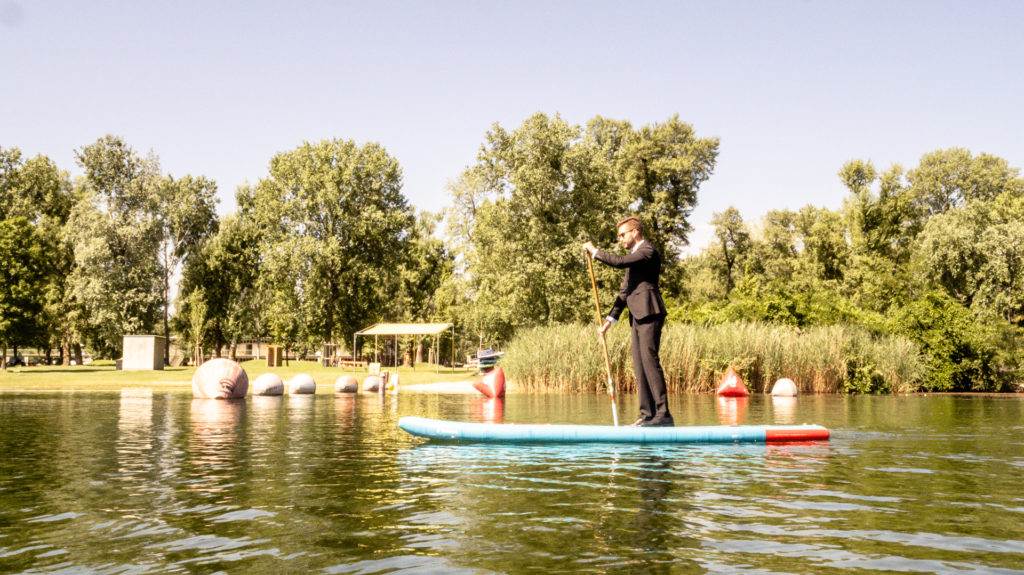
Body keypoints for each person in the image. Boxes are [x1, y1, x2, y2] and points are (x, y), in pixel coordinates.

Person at [583, 216, 674, 427]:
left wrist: (595, 252)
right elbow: (625, 291)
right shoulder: (634, 257)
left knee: (650, 361)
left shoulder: (647, 251)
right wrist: (610, 319)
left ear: (635, 232)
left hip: (650, 312)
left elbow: (619, 262)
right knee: (640, 365)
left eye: (623, 234)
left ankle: (663, 414)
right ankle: (647, 414)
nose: (621, 238)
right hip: (637, 316)